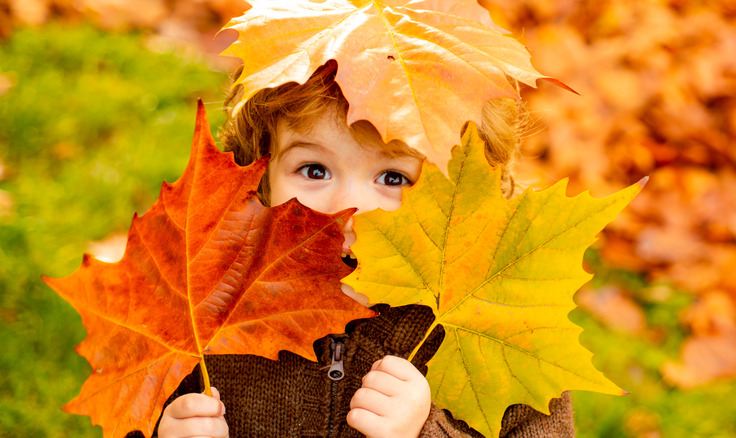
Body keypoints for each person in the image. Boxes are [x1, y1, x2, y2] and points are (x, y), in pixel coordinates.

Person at [133, 58, 575, 438]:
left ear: (462, 197)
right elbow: (136, 410)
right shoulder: (207, 309)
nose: (348, 208)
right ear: (259, 176)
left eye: (393, 178)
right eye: (314, 169)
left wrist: (423, 432)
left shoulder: (502, 330)